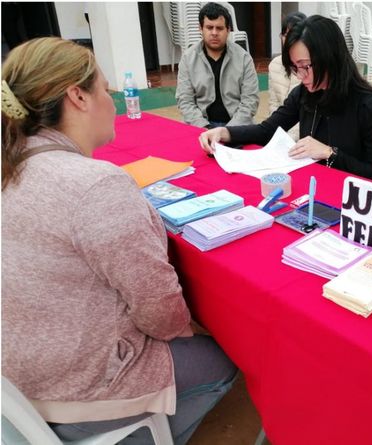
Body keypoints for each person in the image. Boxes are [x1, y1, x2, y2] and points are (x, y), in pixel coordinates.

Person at [1, 37, 237, 445]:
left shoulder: (12, 166)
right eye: (105, 90)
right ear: (77, 96)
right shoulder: (95, 185)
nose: (112, 102)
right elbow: (162, 315)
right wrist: (204, 327)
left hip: (19, 382)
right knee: (230, 356)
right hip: (81, 394)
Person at [200, 15, 372, 180]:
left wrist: (329, 153)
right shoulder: (304, 93)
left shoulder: (371, 104)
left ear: (330, 58)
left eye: (305, 66)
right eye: (294, 67)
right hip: (312, 188)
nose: (300, 75)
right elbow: (268, 130)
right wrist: (224, 132)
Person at [176, 2, 259, 128]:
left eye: (219, 28)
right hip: (200, 125)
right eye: (209, 27)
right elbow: (185, 101)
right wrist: (205, 128)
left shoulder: (244, 58)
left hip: (237, 125)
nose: (214, 33)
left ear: (228, 30)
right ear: (201, 28)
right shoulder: (188, 58)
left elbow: (250, 101)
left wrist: (227, 131)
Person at [268, 11, 306, 141]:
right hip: (281, 130)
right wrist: (276, 134)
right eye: (285, 34)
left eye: (293, 34)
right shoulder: (274, 64)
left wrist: (288, 138)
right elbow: (273, 104)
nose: (288, 38)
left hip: (304, 136)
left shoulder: (308, 66)